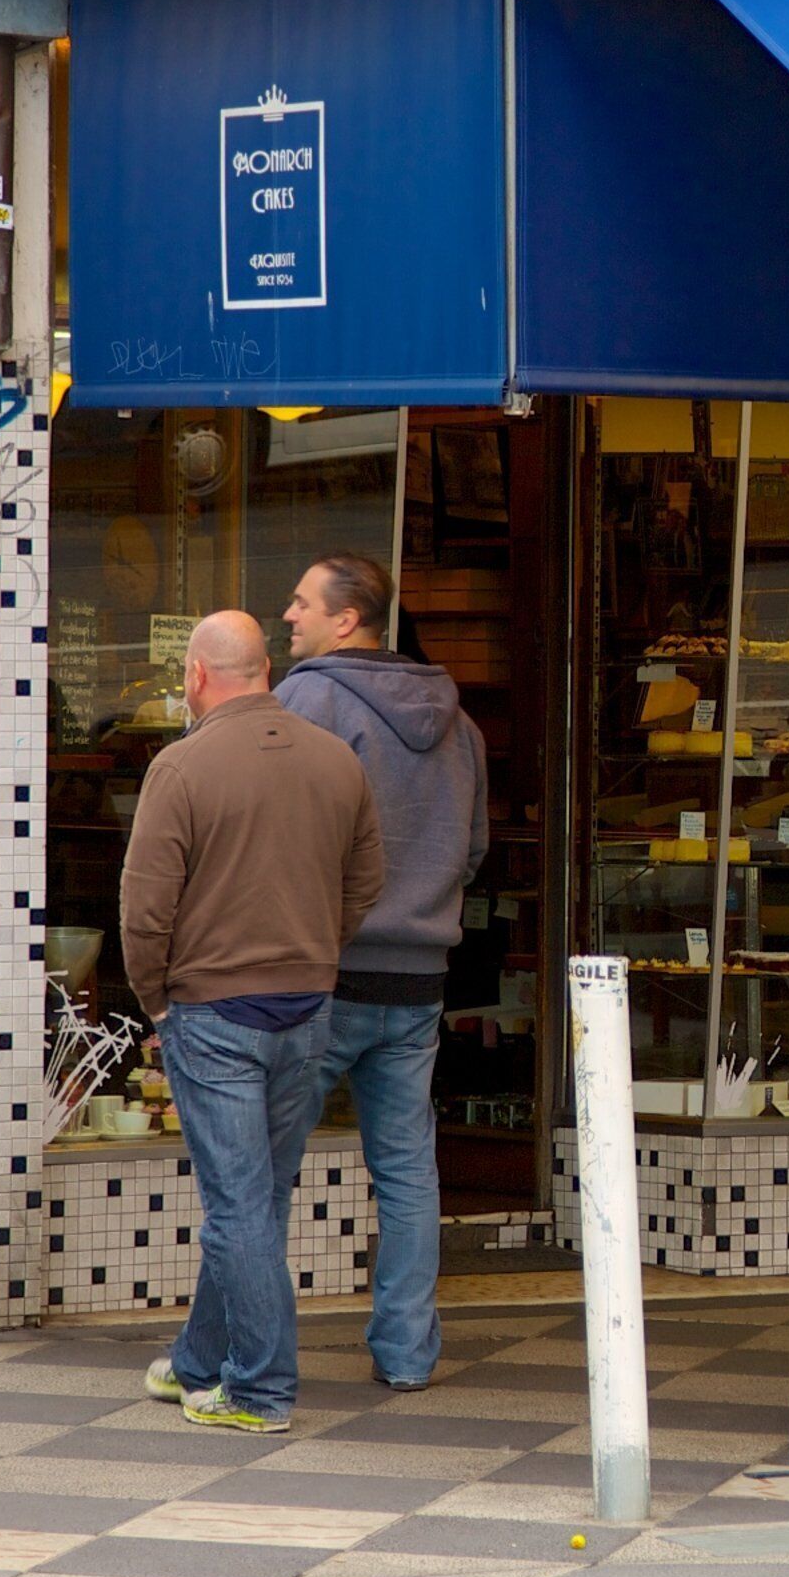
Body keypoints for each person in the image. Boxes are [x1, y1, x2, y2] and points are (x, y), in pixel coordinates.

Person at [123, 613, 386, 1434]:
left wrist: (156, 1002)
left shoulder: (182, 765)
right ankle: (199, 1362)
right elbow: (367, 880)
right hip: (307, 1006)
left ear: (198, 676)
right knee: (257, 1198)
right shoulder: (337, 760)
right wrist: (316, 951)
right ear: (267, 669)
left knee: (239, 1206)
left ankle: (259, 1389)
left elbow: (143, 912)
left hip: (211, 1012)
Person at [275, 553, 487, 1394]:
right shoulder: (461, 725)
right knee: (407, 1176)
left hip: (327, 973)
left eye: (300, 603)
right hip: (420, 980)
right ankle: (405, 1354)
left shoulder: (306, 701)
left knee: (264, 1171)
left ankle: (243, 1355)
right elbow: (471, 851)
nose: (287, 616)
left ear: (346, 620)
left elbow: (276, 833)